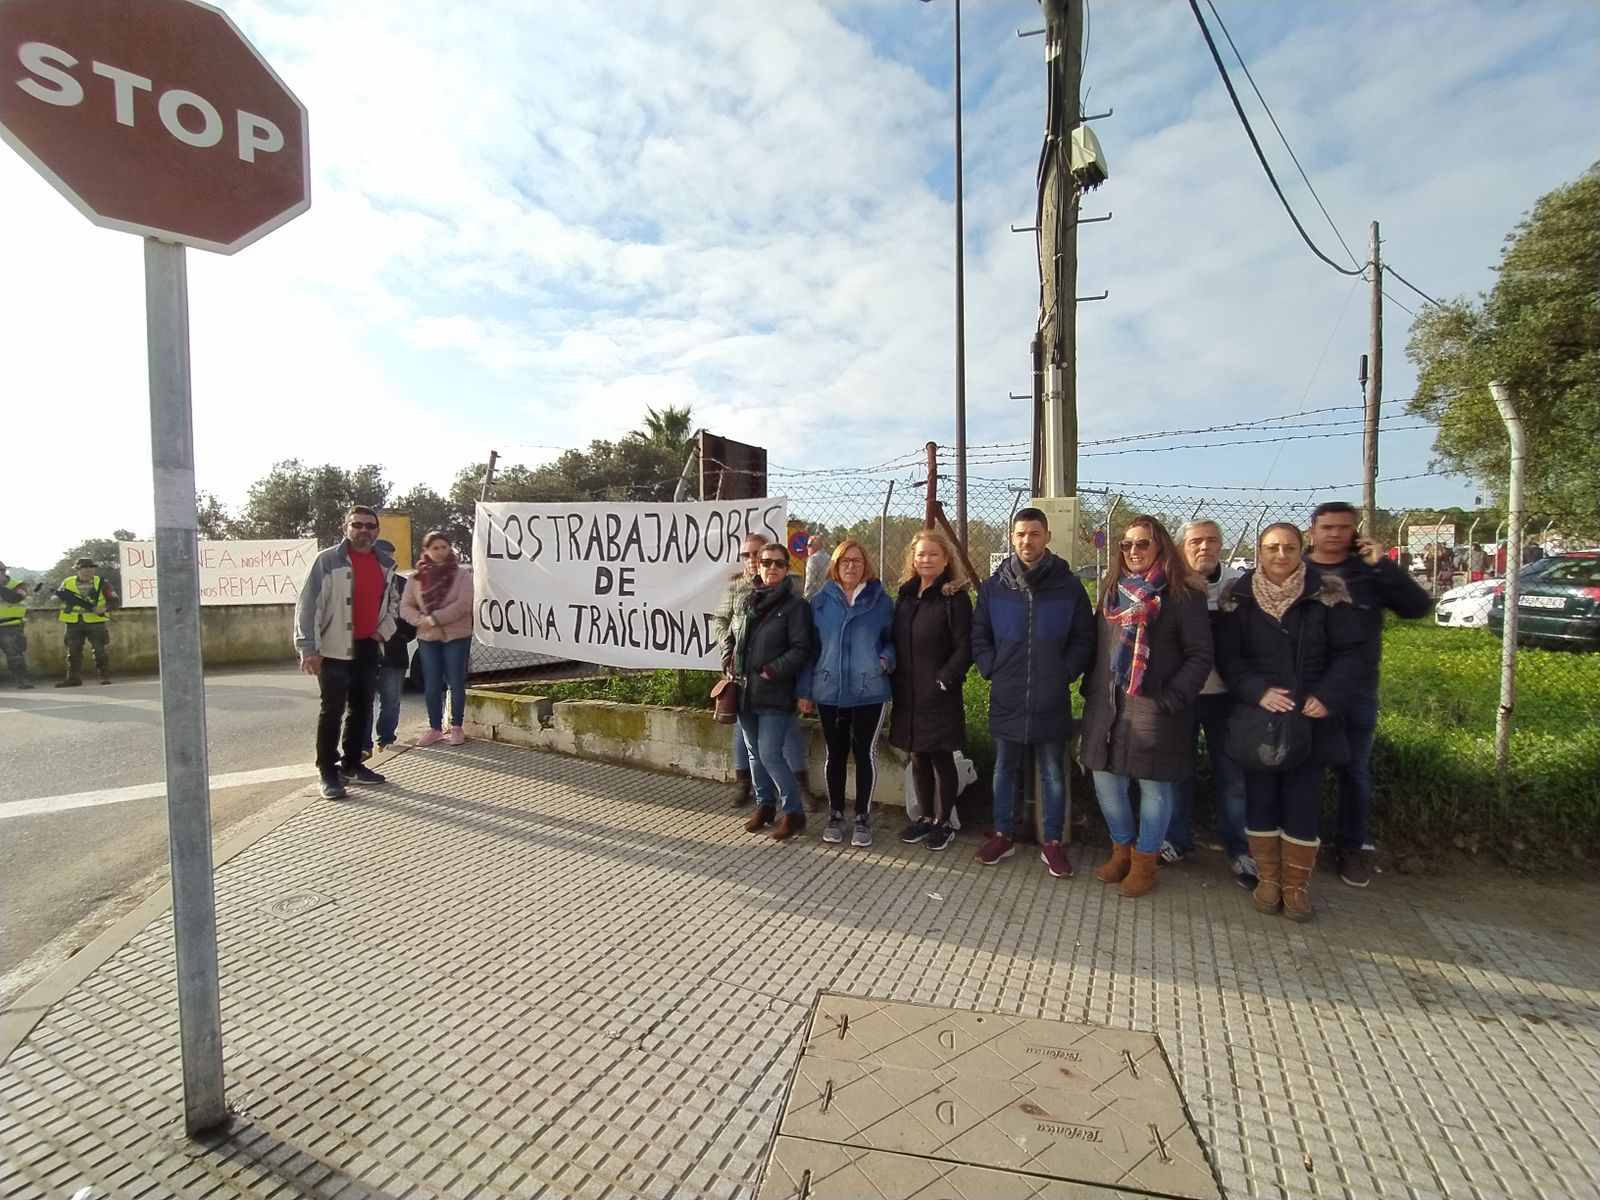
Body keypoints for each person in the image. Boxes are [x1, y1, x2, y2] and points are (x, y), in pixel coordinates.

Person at [1215, 523, 1365, 921]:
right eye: (1271, 548)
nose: (1280, 555)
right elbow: (1229, 657)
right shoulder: (1239, 596)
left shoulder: (1327, 594)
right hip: (1259, 717)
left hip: (1311, 716)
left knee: (1302, 802)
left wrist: (1327, 697)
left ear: (1303, 549)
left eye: (1288, 547)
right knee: (1260, 799)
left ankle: (1296, 887)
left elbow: (1350, 654)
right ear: (1259, 552)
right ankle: (1268, 879)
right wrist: (1256, 691)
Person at [1080, 516, 1214, 899]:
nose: (1133, 551)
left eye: (1142, 544)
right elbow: (1099, 646)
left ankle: (1145, 863)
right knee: (1106, 780)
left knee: (1155, 788)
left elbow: (1200, 655)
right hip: (1108, 704)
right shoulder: (1112, 591)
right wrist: (1089, 687)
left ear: (1160, 548)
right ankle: (1121, 849)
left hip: (1157, 707)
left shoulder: (1182, 594)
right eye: (1126, 545)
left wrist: (1172, 698)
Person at [1304, 501, 1431, 886]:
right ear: (1312, 530)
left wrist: (1383, 565)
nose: (1334, 534)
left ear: (1355, 530)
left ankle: (1351, 848)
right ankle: (1300, 844)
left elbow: (1417, 607)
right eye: (1326, 527)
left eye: (1343, 527)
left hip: (1357, 690)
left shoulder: (1368, 572)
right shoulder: (1297, 568)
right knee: (1302, 770)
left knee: (1354, 772)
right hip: (1306, 688)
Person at [971, 508, 1096, 877]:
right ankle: (1003, 834)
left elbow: (1083, 637)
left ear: (1047, 537)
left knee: (1053, 774)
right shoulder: (995, 587)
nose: (1028, 541)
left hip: (1050, 696)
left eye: (1035, 533)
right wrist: (990, 666)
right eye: (1021, 534)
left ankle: (1053, 843)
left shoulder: (1068, 586)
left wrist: (1065, 672)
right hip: (1006, 695)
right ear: (1013, 537)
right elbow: (979, 633)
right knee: (1004, 770)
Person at [1165, 520, 1254, 888]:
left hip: (1226, 698)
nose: (1205, 547)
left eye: (1212, 541)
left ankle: (1239, 849)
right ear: (1182, 546)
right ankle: (1175, 840)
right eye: (1196, 541)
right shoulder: (1170, 585)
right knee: (1175, 773)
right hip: (1182, 698)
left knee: (1233, 776)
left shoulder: (1238, 586)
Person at [797, 540, 895, 848]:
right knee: (835, 754)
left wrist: (885, 661)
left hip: (870, 690)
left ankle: (863, 817)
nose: (850, 566)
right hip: (830, 690)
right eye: (844, 561)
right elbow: (811, 649)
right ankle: (836, 815)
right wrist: (805, 690)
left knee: (865, 753)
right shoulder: (821, 602)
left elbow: (893, 642)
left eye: (856, 560)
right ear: (835, 567)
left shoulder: (881, 601)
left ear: (866, 564)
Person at [295, 506, 398, 800]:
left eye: (369, 526)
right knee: (332, 711)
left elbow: (393, 605)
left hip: (368, 645)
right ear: (345, 528)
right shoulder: (327, 561)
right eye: (357, 525)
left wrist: (382, 632)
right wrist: (308, 647)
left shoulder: (386, 565)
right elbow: (308, 605)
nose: (364, 530)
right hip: (333, 647)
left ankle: (353, 764)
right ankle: (328, 771)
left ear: (377, 530)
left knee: (362, 708)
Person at [888, 529, 973, 853]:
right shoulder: (906, 595)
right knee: (917, 754)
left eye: (933, 554)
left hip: (938, 692)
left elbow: (965, 647)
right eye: (921, 554)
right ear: (913, 558)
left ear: (946, 559)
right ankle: (924, 817)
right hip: (908, 691)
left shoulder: (955, 598)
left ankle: (943, 822)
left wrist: (945, 679)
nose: (926, 560)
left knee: (940, 756)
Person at [724, 542, 815, 841]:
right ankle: (765, 806)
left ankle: (794, 812)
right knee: (753, 753)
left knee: (770, 753)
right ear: (758, 566)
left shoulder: (795, 605)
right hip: (744, 690)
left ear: (787, 568)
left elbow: (802, 648)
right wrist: (728, 656)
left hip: (774, 691)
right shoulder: (748, 599)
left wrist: (772, 670)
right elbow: (732, 634)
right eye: (766, 562)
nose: (772, 568)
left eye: (778, 563)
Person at [401, 530, 474, 747]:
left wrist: (433, 619)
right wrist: (419, 620)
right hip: (427, 638)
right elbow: (405, 606)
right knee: (431, 683)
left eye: (444, 547)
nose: (440, 552)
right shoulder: (416, 579)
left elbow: (463, 605)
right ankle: (434, 727)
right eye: (435, 548)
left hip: (456, 636)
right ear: (426, 551)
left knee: (455, 681)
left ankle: (457, 726)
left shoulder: (462, 575)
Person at [366, 541, 416, 758]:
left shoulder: (404, 585)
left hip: (394, 652)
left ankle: (386, 740)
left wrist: (403, 636)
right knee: (363, 701)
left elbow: (411, 616)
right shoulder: (360, 581)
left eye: (389, 557)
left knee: (391, 700)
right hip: (365, 652)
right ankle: (363, 745)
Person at [54, 557, 117, 687]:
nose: (89, 570)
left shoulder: (102, 583)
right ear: (77, 569)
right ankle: (73, 679)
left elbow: (114, 601)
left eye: (91, 567)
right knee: (73, 652)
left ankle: (104, 676)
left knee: (99, 650)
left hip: (95, 621)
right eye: (85, 567)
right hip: (73, 622)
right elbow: (57, 597)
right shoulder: (68, 582)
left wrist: (104, 608)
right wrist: (56, 597)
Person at [0, 562, 33, 689]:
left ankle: (23, 679)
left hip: (10, 626)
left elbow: (15, 598)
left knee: (15, 656)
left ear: (3, 572)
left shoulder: (18, 584)